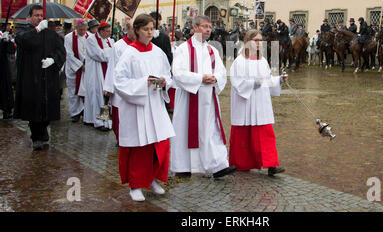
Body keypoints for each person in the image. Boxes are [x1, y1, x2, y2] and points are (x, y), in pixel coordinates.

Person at [113, 14, 174, 202]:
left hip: (155, 104)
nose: (150, 32)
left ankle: (154, 178)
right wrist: (142, 83)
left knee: (160, 144)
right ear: (137, 30)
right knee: (140, 147)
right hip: (137, 107)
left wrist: (165, 82)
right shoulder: (129, 54)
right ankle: (136, 184)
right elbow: (119, 81)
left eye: (152, 29)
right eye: (146, 29)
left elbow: (167, 73)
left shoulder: (157, 51)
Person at [171, 15, 236, 178]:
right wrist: (200, 78)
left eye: (209, 27)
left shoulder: (212, 50)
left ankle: (217, 165)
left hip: (208, 98)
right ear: (194, 28)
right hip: (189, 97)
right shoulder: (183, 49)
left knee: (211, 130)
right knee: (186, 129)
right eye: (204, 26)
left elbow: (221, 71)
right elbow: (177, 73)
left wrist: (216, 78)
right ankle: (183, 166)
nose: (208, 30)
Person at [229, 30, 287, 176]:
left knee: (265, 134)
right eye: (256, 40)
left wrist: (279, 79)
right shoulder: (239, 61)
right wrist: (253, 83)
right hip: (245, 102)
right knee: (243, 134)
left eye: (261, 40)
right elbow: (237, 83)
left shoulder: (262, 61)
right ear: (248, 41)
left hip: (261, 102)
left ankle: (271, 164)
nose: (259, 43)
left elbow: (267, 80)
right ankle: (242, 164)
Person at [13, 5, 66, 150]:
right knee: (34, 108)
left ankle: (43, 130)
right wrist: (37, 30)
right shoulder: (25, 31)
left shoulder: (51, 34)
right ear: (30, 17)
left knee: (47, 107)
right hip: (31, 77)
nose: (39, 18)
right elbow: (23, 41)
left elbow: (61, 51)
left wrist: (53, 60)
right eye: (36, 15)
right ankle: (36, 136)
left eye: (41, 15)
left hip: (48, 78)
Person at [104, 18, 136, 144]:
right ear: (128, 29)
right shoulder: (118, 46)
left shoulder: (141, 45)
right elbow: (112, 67)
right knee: (119, 115)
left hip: (134, 86)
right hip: (120, 86)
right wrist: (109, 87)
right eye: (134, 28)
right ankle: (120, 138)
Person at [83, 21, 115, 131]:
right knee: (97, 96)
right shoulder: (91, 40)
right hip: (95, 73)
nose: (109, 34)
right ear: (101, 31)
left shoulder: (110, 41)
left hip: (106, 72)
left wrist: (108, 52)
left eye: (110, 31)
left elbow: (112, 55)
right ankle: (98, 121)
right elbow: (98, 55)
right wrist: (109, 52)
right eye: (107, 31)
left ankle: (104, 119)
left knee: (105, 97)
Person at [64, 19, 89, 123]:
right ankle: (75, 113)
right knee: (73, 91)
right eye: (80, 30)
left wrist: (87, 65)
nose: (83, 32)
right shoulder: (69, 38)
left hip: (86, 69)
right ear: (76, 28)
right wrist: (80, 65)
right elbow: (69, 54)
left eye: (84, 30)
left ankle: (84, 110)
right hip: (74, 68)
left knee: (85, 90)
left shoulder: (90, 37)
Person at [0, 27, 15, 119]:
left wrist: (7, 42)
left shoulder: (2, 35)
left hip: (2, 67)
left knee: (4, 89)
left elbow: (11, 50)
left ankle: (6, 110)